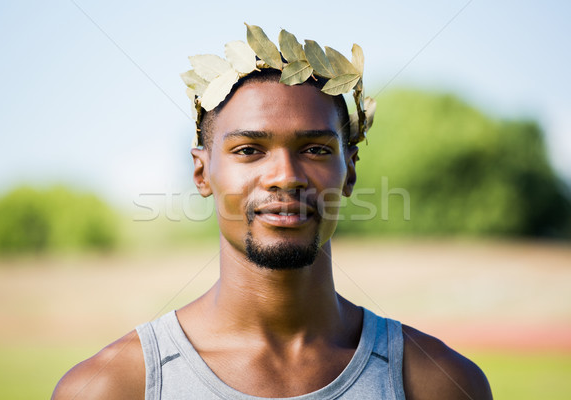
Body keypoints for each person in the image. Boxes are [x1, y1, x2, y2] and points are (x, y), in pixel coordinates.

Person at [52, 25, 492, 400]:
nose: (285, 176)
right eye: (249, 150)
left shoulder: (438, 383)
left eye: (316, 149)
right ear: (203, 173)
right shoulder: (114, 386)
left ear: (350, 170)